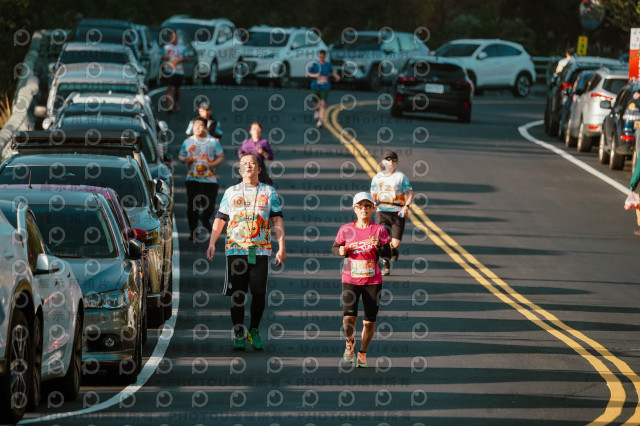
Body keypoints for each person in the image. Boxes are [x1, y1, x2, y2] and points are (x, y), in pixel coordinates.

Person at [206, 153, 286, 351]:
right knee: (238, 294)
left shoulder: (269, 192)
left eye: (252, 164)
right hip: (236, 250)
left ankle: (254, 330)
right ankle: (239, 333)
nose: (248, 167)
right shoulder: (231, 192)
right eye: (244, 164)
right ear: (239, 170)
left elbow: (277, 219)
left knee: (259, 293)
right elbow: (220, 218)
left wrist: (282, 247)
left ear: (259, 169)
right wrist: (212, 242)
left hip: (261, 251)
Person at [332, 192, 391, 368]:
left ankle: (363, 352)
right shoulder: (346, 229)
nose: (364, 209)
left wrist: (378, 246)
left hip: (373, 281)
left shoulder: (379, 230)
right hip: (350, 279)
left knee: (369, 321)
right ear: (354, 209)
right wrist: (341, 251)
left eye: (367, 206)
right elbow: (336, 247)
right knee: (348, 319)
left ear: (373, 209)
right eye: (360, 206)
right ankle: (350, 342)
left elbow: (388, 254)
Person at [178, 117, 224, 243]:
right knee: (193, 207)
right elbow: (181, 155)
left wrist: (211, 165)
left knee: (209, 207)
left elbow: (220, 156)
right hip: (192, 179)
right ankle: (193, 232)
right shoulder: (188, 141)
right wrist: (184, 159)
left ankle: (204, 218)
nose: (197, 129)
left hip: (210, 179)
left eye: (200, 126)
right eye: (195, 126)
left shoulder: (213, 141)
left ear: (205, 127)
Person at [370, 151, 414, 276]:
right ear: (383, 162)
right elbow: (373, 193)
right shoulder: (378, 177)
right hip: (382, 211)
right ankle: (385, 263)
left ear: (397, 162)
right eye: (388, 160)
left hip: (397, 212)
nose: (391, 163)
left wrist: (406, 207)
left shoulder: (401, 177)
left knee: (395, 243)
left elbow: (410, 193)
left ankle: (393, 250)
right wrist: (373, 202)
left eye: (393, 160)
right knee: (382, 238)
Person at [307, 49, 340, 128]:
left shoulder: (328, 65)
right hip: (315, 86)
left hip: (325, 86)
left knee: (322, 104)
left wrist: (336, 76)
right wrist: (316, 75)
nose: (321, 57)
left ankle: (320, 121)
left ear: (325, 56)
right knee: (315, 102)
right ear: (319, 56)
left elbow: (331, 72)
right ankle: (316, 110)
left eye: (323, 56)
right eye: (320, 56)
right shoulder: (315, 65)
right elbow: (309, 74)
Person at [161, 30, 189, 113]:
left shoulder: (183, 48)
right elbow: (162, 56)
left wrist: (180, 61)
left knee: (177, 90)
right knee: (169, 88)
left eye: (176, 37)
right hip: (169, 70)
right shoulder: (166, 47)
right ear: (170, 38)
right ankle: (169, 106)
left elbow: (187, 58)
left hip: (179, 71)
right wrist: (167, 58)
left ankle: (176, 103)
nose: (174, 39)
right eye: (173, 37)